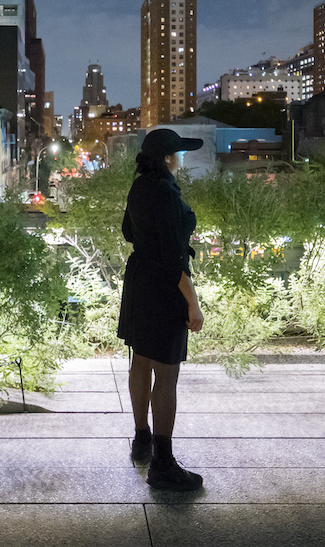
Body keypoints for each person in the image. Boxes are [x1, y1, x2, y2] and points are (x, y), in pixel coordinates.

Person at [118, 128, 206, 491]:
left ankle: (142, 441)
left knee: (141, 360)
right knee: (166, 374)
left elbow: (128, 232)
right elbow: (173, 259)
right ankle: (163, 464)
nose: (181, 159)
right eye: (179, 154)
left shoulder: (139, 187)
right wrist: (193, 302)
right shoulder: (167, 193)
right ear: (169, 158)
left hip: (139, 282)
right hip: (162, 286)